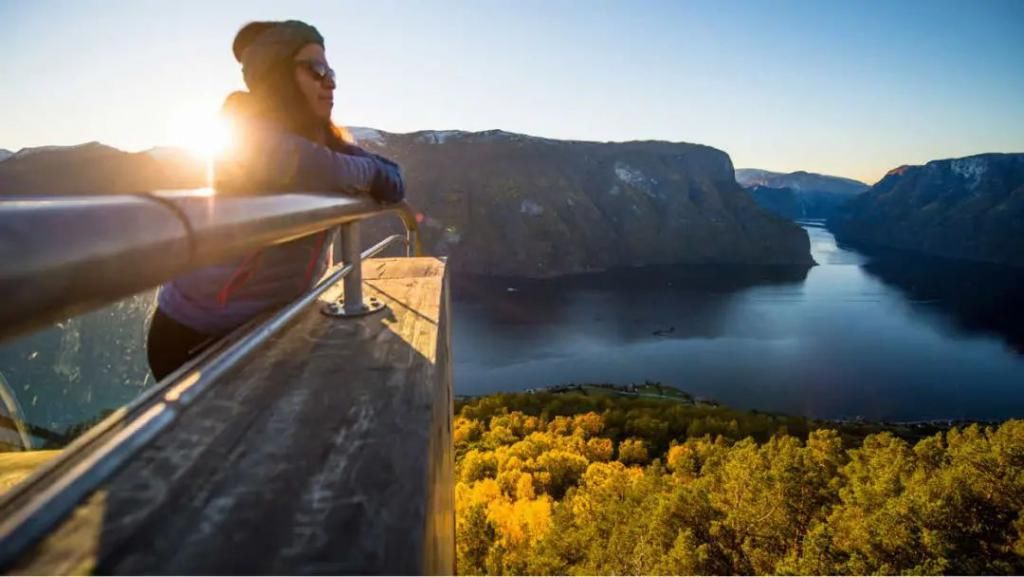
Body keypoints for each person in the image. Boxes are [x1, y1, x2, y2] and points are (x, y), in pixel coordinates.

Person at [146, 20, 404, 381]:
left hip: (271, 321)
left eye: (331, 71)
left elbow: (394, 180)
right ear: (277, 77)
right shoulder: (245, 132)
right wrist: (367, 172)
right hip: (199, 335)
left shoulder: (325, 139)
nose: (330, 82)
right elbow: (308, 166)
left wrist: (367, 171)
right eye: (316, 70)